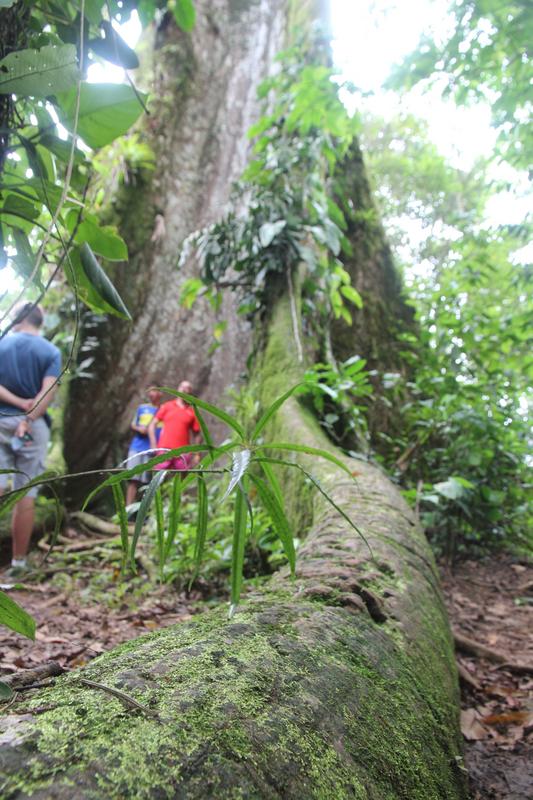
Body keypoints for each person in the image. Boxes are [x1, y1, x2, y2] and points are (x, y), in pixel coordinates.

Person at [0, 303, 61, 575]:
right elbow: (47, 394)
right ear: (39, 322)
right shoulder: (51, 351)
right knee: (26, 492)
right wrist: (29, 415)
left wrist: (16, 402)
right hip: (33, 427)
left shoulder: (2, 343)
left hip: (1, 419)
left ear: (18, 320)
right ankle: (18, 564)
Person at [148, 380, 201, 473]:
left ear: (190, 392)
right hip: (164, 450)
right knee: (157, 478)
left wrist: (197, 454)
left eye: (187, 388)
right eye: (182, 387)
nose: (184, 389)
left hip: (183, 452)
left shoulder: (192, 411)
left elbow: (197, 434)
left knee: (182, 481)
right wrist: (154, 445)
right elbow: (152, 425)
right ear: (177, 389)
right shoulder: (167, 406)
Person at [125, 386, 162, 506]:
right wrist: (140, 429)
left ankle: (143, 512)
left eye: (154, 390)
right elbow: (133, 424)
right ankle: (128, 509)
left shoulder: (163, 410)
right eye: (149, 391)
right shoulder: (142, 408)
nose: (151, 393)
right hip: (137, 447)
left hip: (153, 450)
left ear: (160, 393)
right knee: (133, 479)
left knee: (149, 482)